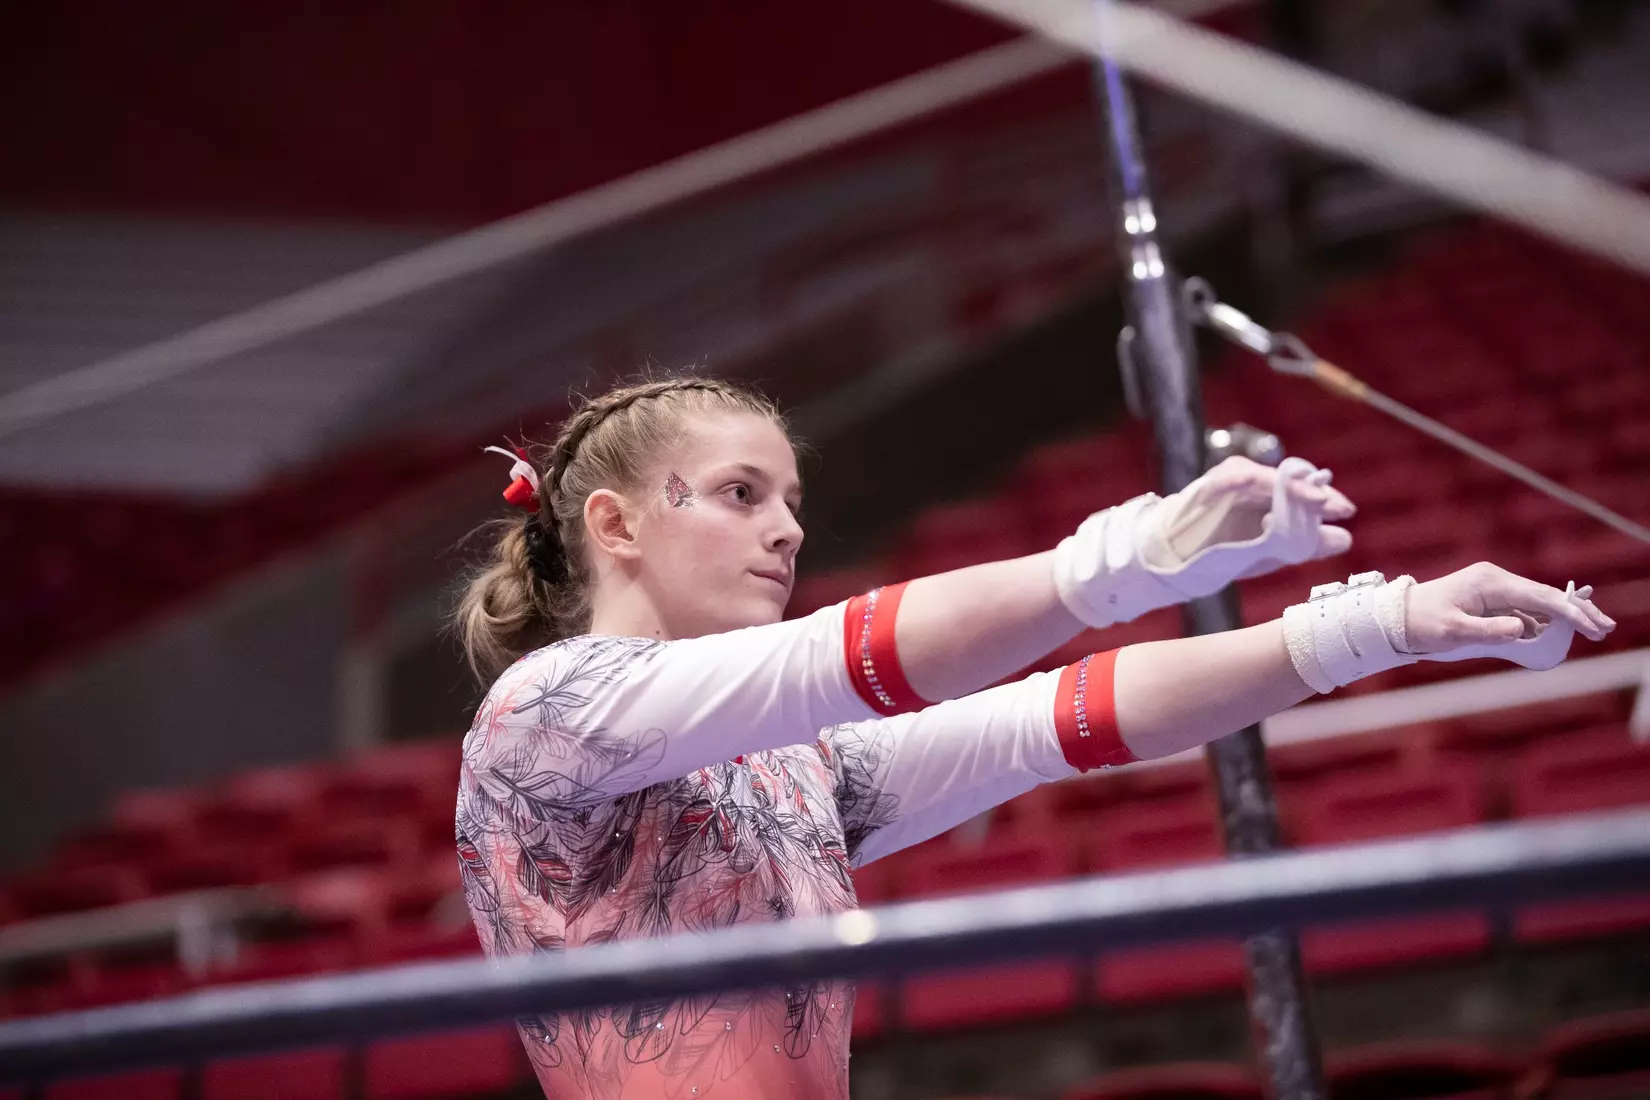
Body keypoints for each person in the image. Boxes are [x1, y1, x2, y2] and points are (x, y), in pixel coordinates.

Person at [450, 374, 1614, 1100]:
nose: (788, 529)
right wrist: (1119, 561)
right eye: (742, 493)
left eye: (793, 500)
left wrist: (1382, 623)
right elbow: (847, 653)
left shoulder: (786, 764)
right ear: (616, 523)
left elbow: (1052, 721)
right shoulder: (547, 713)